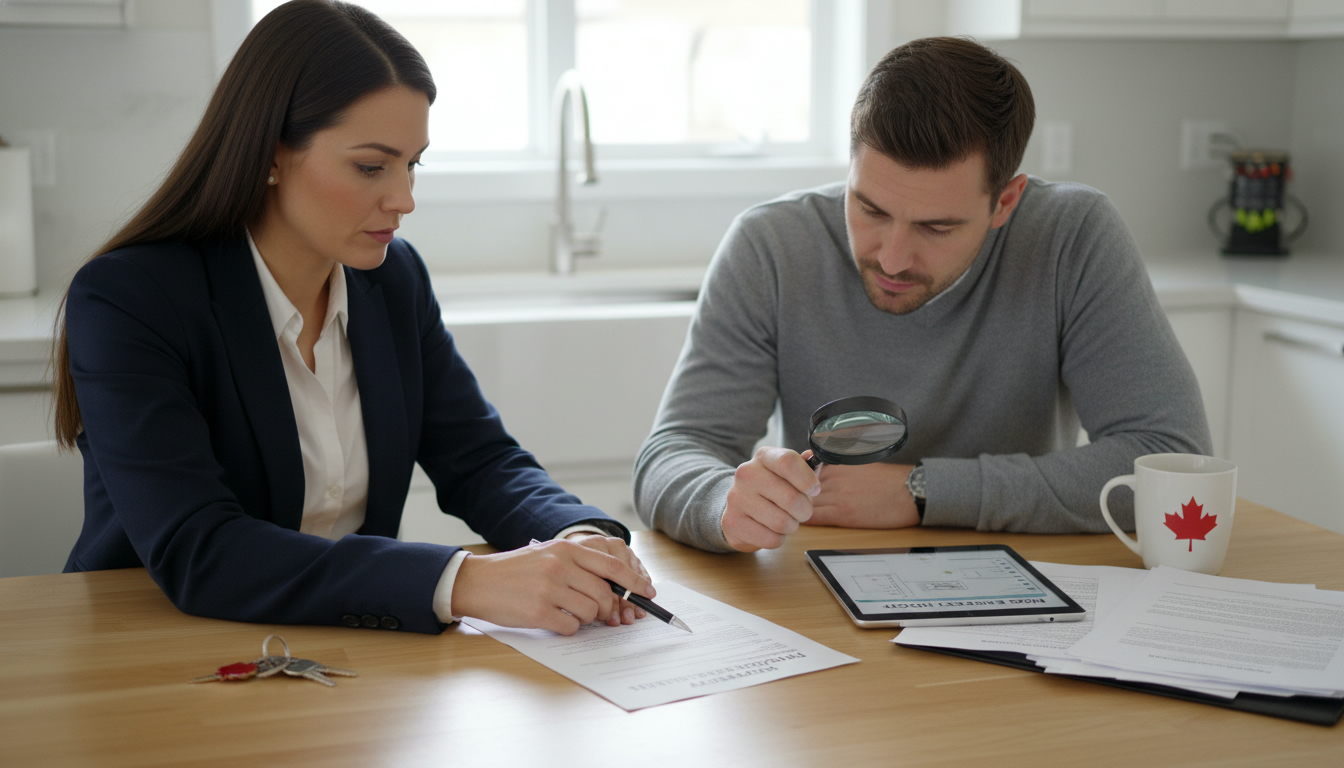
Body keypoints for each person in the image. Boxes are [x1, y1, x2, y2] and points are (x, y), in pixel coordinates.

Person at [56, 0, 654, 636]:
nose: (404, 199)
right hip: (151, 648)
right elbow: (201, 548)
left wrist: (580, 538)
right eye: (372, 166)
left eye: (412, 163)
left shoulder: (391, 280)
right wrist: (463, 580)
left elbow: (480, 460)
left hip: (339, 648)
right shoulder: (130, 299)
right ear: (272, 153)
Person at [634, 37, 1212, 554]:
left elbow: (1171, 461)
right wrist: (723, 503)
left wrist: (924, 491)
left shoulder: (1072, 236)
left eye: (936, 228)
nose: (891, 258)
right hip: (819, 590)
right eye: (870, 208)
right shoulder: (771, 247)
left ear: (1005, 203)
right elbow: (673, 454)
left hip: (1026, 586)